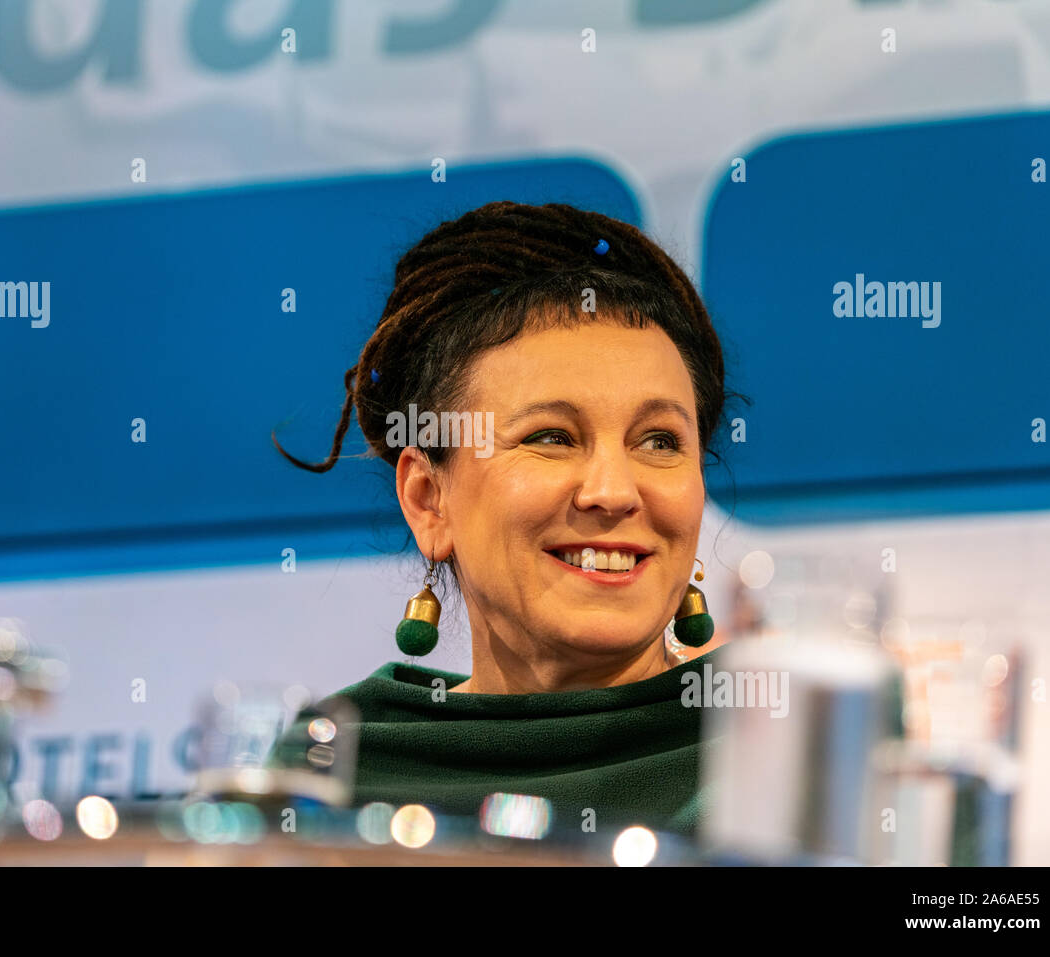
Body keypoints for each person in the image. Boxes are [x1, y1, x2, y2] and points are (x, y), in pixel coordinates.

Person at [268, 200, 737, 838]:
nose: (613, 491)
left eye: (659, 441)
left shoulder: (785, 746)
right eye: (551, 437)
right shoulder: (330, 773)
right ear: (430, 501)